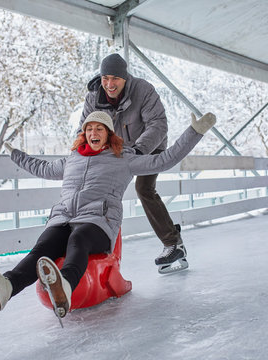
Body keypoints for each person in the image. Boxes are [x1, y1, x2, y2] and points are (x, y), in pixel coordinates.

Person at [0, 110, 216, 321]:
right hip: (63, 218)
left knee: (79, 240)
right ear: (84, 134)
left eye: (99, 128)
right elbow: (42, 168)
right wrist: (17, 155)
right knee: (42, 248)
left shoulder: (124, 158)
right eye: (89, 128)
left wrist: (194, 132)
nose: (93, 132)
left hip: (98, 222)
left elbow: (164, 160)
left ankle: (64, 286)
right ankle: (5, 288)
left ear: (108, 134)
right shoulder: (72, 159)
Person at [79, 53, 187, 273]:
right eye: (105, 78)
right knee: (97, 188)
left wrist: (139, 150)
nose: (110, 84)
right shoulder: (93, 98)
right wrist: (80, 155)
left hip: (149, 144)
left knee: (144, 187)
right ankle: (92, 244)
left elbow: (158, 124)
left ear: (125, 78)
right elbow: (85, 128)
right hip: (117, 148)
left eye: (115, 79)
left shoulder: (143, 90)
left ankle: (173, 243)